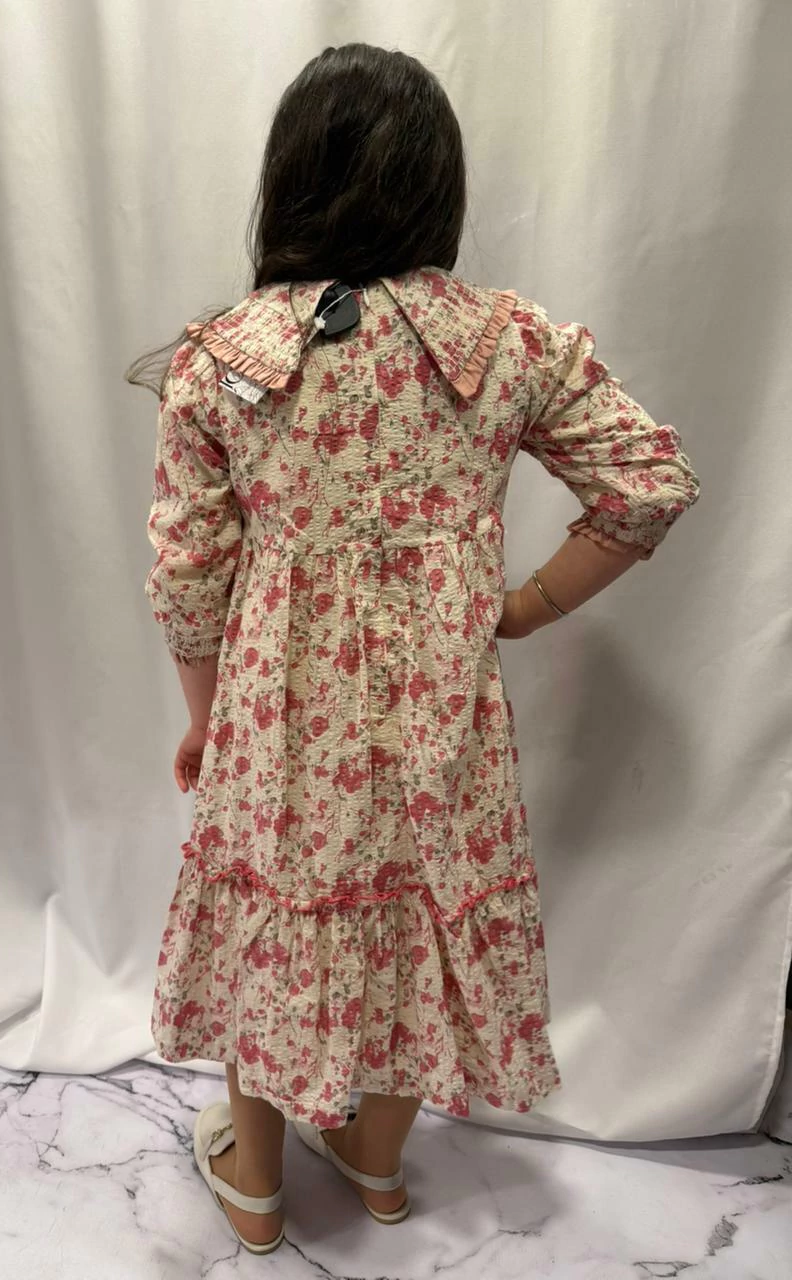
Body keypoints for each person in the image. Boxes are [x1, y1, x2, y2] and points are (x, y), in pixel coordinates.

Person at [130, 43, 700, 1255]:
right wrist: (522, 605)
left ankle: (256, 1182)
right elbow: (648, 481)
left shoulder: (224, 358)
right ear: (439, 183)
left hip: (279, 725)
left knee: (274, 912)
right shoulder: (509, 342)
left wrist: (204, 713)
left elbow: (187, 575)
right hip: (444, 723)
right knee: (417, 913)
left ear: (290, 176)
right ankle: (379, 1164)